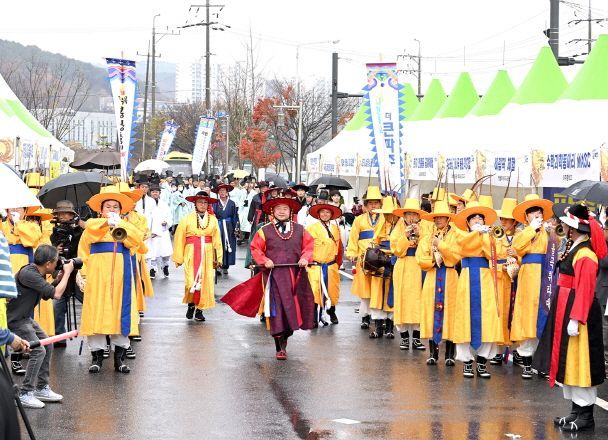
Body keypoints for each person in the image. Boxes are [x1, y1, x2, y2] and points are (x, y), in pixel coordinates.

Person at [545, 203, 606, 432]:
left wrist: (576, 318)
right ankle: (575, 410)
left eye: (567, 224)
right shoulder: (575, 248)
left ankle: (586, 415)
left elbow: (586, 290)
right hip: (567, 308)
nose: (563, 226)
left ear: (574, 228)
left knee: (582, 363)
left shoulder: (586, 254)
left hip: (579, 313)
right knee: (569, 361)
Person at [78, 189, 145, 374]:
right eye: (108, 206)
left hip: (121, 274)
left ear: (122, 210)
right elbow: (83, 252)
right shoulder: (92, 226)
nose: (112, 209)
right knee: (97, 311)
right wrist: (83, 275)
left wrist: (120, 226)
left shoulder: (127, 225)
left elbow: (137, 243)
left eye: (116, 207)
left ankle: (120, 359)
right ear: (101, 210)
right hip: (98, 275)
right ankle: (97, 358)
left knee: (119, 312)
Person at [249, 195, 315, 360]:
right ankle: (280, 347)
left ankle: (287, 335)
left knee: (292, 310)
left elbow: (309, 247)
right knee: (277, 311)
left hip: (295, 276)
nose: (281, 211)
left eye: (285, 209)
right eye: (278, 209)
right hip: (273, 277)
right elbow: (256, 249)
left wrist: (305, 258)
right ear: (272, 211)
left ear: (290, 211)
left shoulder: (300, 230)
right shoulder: (264, 231)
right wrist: (265, 260)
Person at [8, 244, 73, 408]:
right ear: (49, 263)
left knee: (47, 343)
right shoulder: (29, 273)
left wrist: (59, 278)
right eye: (56, 261)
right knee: (38, 350)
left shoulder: (38, 272)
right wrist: (68, 273)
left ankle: (41, 388)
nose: (58, 263)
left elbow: (47, 295)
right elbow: (57, 294)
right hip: (15, 320)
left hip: (25, 318)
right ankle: (25, 393)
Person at [452, 200, 502, 378]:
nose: (477, 221)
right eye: (473, 218)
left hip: (485, 277)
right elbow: (462, 247)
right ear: (467, 222)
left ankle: (482, 362)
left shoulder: (489, 235)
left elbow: (492, 254)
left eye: (480, 218)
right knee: (465, 317)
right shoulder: (460, 233)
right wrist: (475, 234)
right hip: (467, 277)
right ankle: (466, 361)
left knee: (487, 317)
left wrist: (486, 236)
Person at [511, 194, 554, 379]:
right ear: (526, 217)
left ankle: (541, 363)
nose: (537, 216)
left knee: (543, 316)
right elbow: (516, 247)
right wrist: (531, 229)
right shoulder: (523, 233)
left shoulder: (548, 233)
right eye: (533, 214)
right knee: (528, 317)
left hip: (544, 277)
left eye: (539, 213)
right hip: (528, 276)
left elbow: (556, 248)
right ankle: (527, 363)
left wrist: (551, 231)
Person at [416, 198, 460, 366]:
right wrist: (433, 262)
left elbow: (456, 256)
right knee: (431, 311)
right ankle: (433, 353)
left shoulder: (455, 235)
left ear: (448, 218)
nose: (438, 220)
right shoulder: (427, 237)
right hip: (433, 275)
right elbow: (421, 258)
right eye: (436, 218)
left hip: (450, 276)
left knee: (451, 313)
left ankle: (450, 354)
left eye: (441, 217)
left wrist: (440, 245)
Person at [1, 206, 43, 375]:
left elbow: (32, 240)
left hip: (24, 275)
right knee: (6, 315)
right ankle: (6, 352)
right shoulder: (2, 225)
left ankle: (18, 358)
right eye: (12, 208)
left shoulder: (31, 226)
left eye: (19, 209)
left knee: (22, 315)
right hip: (6, 271)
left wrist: (19, 224)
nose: (15, 211)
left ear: (25, 212)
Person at [173, 192, 223, 321]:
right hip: (191, 251)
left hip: (207, 252)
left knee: (205, 282)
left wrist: (218, 257)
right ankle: (191, 304)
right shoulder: (187, 218)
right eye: (200, 202)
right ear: (195, 203)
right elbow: (179, 237)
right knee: (191, 282)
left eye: (205, 202)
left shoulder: (212, 219)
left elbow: (217, 239)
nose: (202, 205)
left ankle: (200, 310)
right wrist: (178, 257)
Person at [346, 186, 384, 329]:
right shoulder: (359, 219)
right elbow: (353, 237)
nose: (373, 206)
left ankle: (378, 316)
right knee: (364, 289)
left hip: (380, 258)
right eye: (371, 203)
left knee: (378, 288)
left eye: (376, 203)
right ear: (366, 205)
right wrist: (352, 253)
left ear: (380, 204)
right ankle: (365, 316)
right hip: (363, 259)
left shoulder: (385, 218)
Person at [391, 198, 426, 351]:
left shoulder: (425, 227)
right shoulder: (398, 228)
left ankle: (417, 337)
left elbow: (429, 246)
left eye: (414, 214)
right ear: (404, 216)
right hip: (403, 265)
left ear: (418, 216)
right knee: (402, 299)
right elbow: (396, 250)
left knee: (419, 300)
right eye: (408, 214)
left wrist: (420, 235)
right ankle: (404, 336)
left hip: (419, 265)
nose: (411, 217)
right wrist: (405, 237)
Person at [50, 200, 84, 345]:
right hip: (61, 271)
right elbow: (48, 255)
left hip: (78, 271)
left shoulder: (80, 231)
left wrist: (77, 229)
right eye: (60, 213)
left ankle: (100, 335)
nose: (62, 216)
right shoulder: (54, 233)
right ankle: (59, 336)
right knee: (58, 305)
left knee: (88, 300)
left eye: (66, 213)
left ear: (72, 215)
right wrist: (55, 251)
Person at [306, 202, 343, 326]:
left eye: (327, 212)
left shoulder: (335, 229)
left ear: (331, 215)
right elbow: (306, 246)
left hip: (331, 265)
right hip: (316, 266)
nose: (325, 214)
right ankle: (313, 317)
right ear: (318, 214)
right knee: (315, 291)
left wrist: (338, 263)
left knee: (332, 291)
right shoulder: (311, 228)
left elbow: (339, 248)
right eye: (322, 212)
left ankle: (331, 312)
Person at [369, 196, 400, 339]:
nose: (388, 216)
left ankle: (390, 328)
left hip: (395, 262)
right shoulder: (381, 225)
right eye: (386, 213)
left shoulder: (401, 226)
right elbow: (374, 242)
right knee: (378, 296)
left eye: (390, 213)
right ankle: (378, 328)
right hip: (381, 263)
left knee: (392, 294)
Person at [143, 183, 173, 279]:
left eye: (156, 192)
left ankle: (165, 266)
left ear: (159, 193)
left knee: (165, 252)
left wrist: (166, 222)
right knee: (152, 253)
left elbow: (169, 216)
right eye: (153, 192)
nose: (155, 193)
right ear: (150, 193)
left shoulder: (164, 204)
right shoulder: (147, 204)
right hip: (152, 232)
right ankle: (153, 269)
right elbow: (145, 217)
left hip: (163, 231)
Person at [213, 183, 239, 276]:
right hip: (219, 225)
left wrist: (236, 228)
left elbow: (235, 216)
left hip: (229, 227)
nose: (222, 193)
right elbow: (212, 215)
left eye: (224, 191)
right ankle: (218, 265)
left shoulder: (232, 203)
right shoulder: (215, 203)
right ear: (218, 193)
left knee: (229, 245)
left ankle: (226, 266)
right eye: (220, 191)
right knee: (219, 245)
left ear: (227, 192)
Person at [597, 217, 608, 377]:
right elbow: (603, 261)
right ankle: (604, 360)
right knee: (605, 326)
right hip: (605, 289)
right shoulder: (602, 244)